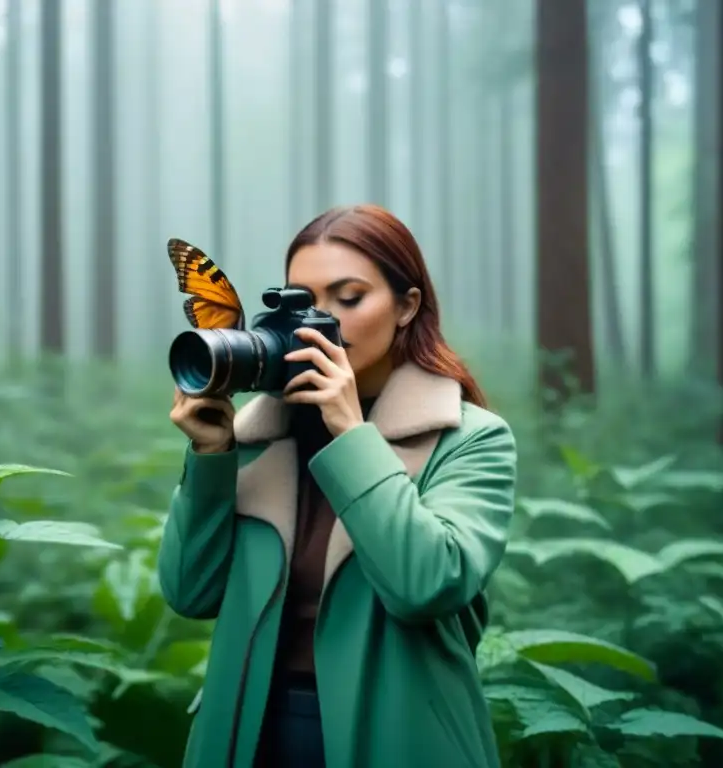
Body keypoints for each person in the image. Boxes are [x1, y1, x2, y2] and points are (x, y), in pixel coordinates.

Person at [159, 204, 517, 768]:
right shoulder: (260, 437)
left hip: (400, 739)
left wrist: (351, 433)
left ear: (406, 306)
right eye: (298, 301)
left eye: (348, 299)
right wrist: (211, 455)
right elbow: (190, 592)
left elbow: (426, 583)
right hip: (249, 735)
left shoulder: (470, 439)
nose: (314, 322)